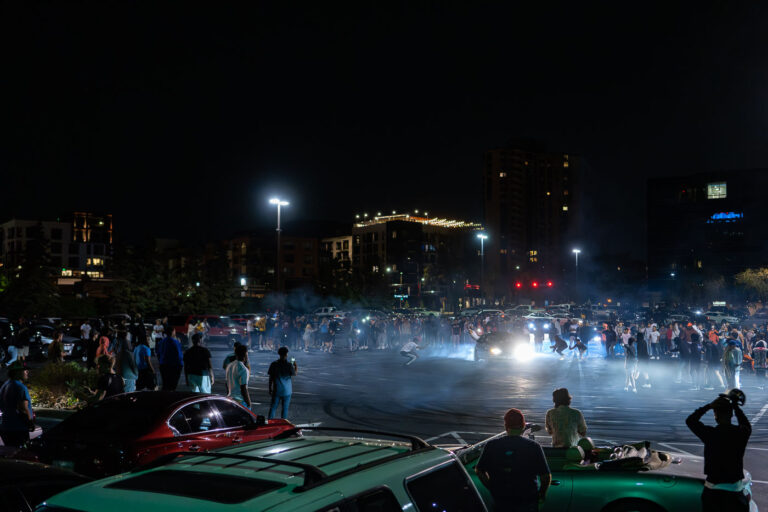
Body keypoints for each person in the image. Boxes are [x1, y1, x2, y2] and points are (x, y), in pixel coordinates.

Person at [685, 392, 752, 511]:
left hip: (713, 491)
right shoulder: (741, 434)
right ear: (731, 414)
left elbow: (690, 421)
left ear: (715, 415)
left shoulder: (710, 434)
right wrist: (735, 406)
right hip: (735, 492)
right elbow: (746, 424)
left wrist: (709, 406)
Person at [475, 408, 551, 512]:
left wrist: (492, 488)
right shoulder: (534, 447)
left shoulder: (491, 445)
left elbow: (479, 471)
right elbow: (545, 477)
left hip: (501, 502)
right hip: (527, 501)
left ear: (506, 426)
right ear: (523, 426)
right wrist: (541, 495)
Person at [0, 361, 34, 447]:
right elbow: (23, 408)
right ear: (17, 372)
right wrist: (30, 423)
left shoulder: (4, 386)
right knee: (21, 454)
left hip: (5, 427)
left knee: (10, 453)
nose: (27, 372)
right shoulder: (20, 387)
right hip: (19, 428)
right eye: (24, 370)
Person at [268, 346, 298, 419]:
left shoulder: (274, 364)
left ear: (279, 354)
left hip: (277, 390)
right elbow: (294, 373)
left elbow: (271, 378)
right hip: (287, 391)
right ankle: (283, 424)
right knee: (285, 409)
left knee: (273, 408)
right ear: (286, 354)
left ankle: (269, 422)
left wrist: (270, 388)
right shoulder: (289, 365)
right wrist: (295, 365)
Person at [225, 344, 251, 409]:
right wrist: (249, 403)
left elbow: (227, 383)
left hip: (230, 399)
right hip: (240, 401)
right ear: (245, 354)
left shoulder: (229, 366)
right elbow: (243, 388)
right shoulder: (243, 369)